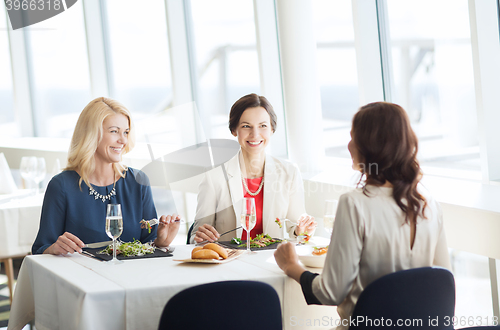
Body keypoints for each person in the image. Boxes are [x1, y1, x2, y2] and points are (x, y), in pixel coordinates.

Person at [274, 102, 451, 328]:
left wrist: (292, 266)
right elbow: (442, 281)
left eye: (353, 136)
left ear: (370, 146)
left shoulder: (354, 204)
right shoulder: (430, 206)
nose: (348, 145)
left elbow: (330, 292)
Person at [32, 97, 180, 255]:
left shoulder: (138, 181)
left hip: (132, 277)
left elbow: (147, 244)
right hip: (81, 277)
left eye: (126, 132)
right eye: (114, 131)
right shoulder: (62, 186)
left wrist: (160, 242)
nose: (123, 140)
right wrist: (54, 248)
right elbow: (40, 250)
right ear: (91, 134)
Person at [191, 93, 317, 244]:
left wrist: (301, 231)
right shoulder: (214, 177)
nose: (255, 134)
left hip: (272, 261)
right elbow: (196, 237)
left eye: (263, 126)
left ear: (272, 129)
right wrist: (201, 238)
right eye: (246, 126)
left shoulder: (289, 173)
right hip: (229, 262)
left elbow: (296, 229)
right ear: (234, 130)